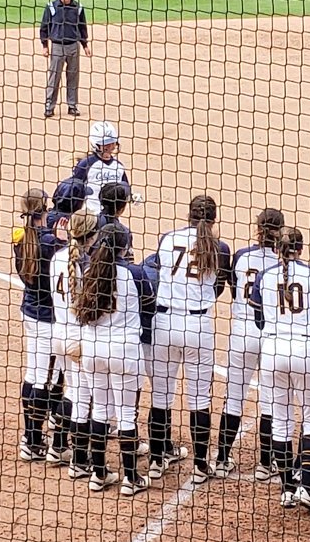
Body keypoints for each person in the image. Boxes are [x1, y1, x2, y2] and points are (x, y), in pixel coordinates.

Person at [249, 227, 310, 514]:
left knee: (280, 421)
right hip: (307, 351)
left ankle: (286, 489)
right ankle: (307, 487)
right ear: (301, 248)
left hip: (273, 351)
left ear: (276, 249)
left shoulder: (265, 276)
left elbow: (259, 319)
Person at [150, 195, 232, 482]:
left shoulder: (167, 239)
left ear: (188, 214)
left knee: (161, 394)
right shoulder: (219, 248)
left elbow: (158, 273)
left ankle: (157, 460)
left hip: (164, 322)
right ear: (213, 218)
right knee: (199, 398)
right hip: (198, 325)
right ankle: (199, 465)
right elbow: (219, 287)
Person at [71, 224, 150, 496]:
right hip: (124, 351)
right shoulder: (134, 273)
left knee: (100, 411)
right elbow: (149, 304)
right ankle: (131, 478)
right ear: (124, 246)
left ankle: (99, 473)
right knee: (126, 415)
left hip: (92, 349)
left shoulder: (89, 270)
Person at [214, 208, 286, 479]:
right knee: (269, 400)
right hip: (269, 334)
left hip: (241, 331)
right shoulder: (282, 262)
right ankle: (266, 464)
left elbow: (234, 290)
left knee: (233, 396)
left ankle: (221, 458)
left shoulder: (242, 256)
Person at [48, 207, 101, 482]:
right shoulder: (88, 265)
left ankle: (58, 447)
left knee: (72, 392)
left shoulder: (57, 258)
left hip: (58, 334)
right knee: (83, 399)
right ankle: (80, 461)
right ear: (91, 236)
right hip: (79, 340)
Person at [13, 189, 66, 463]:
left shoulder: (21, 237)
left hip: (31, 313)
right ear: (45, 209)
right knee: (47, 379)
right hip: (49, 319)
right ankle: (34, 441)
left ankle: (31, 438)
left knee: (34, 374)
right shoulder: (50, 244)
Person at [39, 0, 90, 118]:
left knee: (73, 77)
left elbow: (82, 27)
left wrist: (85, 45)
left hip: (73, 46)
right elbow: (44, 27)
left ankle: (72, 106)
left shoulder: (78, 8)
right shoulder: (51, 7)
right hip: (57, 46)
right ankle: (49, 106)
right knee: (54, 77)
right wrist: (45, 46)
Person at [71, 121, 132, 216]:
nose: (110, 146)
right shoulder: (86, 164)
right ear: (96, 144)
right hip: (90, 216)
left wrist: (131, 197)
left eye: (112, 143)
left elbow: (124, 188)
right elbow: (74, 189)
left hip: (112, 215)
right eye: (106, 143)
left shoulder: (118, 166)